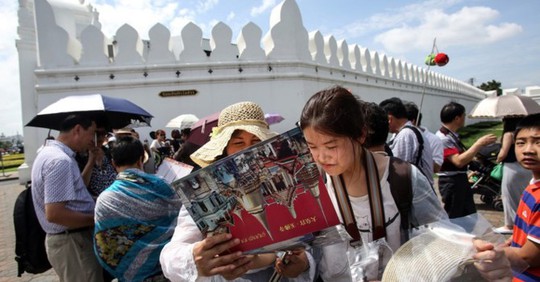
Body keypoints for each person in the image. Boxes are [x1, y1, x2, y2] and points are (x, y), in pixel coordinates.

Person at [300, 86, 512, 281]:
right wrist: (300, 263)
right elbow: (310, 248)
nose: (321, 156)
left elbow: (439, 235)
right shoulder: (312, 186)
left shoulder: (402, 177)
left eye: (330, 145)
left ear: (361, 134)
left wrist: (467, 248)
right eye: (312, 147)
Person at [160, 101, 313, 281]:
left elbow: (315, 242)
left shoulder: (292, 182)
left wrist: (304, 263)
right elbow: (170, 255)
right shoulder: (205, 194)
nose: (248, 149)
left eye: (256, 141)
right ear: (225, 150)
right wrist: (194, 258)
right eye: (239, 143)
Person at [94, 136, 182, 281]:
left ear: (113, 163)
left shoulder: (105, 198)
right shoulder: (161, 184)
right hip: (167, 268)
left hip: (132, 273)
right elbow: (181, 214)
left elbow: (105, 244)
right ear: (142, 159)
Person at [31, 113, 104, 282]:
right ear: (77, 130)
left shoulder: (52, 154)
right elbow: (55, 214)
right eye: (91, 133)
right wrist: (97, 218)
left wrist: (91, 161)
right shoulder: (60, 161)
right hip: (72, 241)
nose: (92, 139)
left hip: (70, 240)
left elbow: (77, 188)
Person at [436, 102, 498, 218]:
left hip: (459, 179)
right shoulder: (443, 138)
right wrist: (478, 144)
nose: (465, 118)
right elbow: (458, 162)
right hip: (451, 181)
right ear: (457, 118)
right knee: (455, 217)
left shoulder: (451, 135)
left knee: (469, 215)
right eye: (464, 115)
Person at [503, 113, 540, 281]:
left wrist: (477, 250)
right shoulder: (533, 185)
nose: (528, 150)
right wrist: (514, 239)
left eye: (538, 142)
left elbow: (528, 257)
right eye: (520, 143)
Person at [379, 97, 435, 186]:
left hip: (416, 192)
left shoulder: (405, 135)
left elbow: (398, 170)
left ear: (390, 119)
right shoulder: (410, 131)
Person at [494, 117, 532, 235]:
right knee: (524, 196)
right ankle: (526, 222)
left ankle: (510, 225)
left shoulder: (509, 134)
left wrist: (497, 159)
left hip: (512, 168)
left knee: (509, 197)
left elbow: (503, 153)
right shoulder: (524, 134)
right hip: (525, 168)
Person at [403, 101, 444, 173]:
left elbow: (437, 168)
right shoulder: (398, 136)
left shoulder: (434, 140)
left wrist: (421, 155)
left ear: (412, 121)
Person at [80, 126, 117, 199]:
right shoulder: (80, 156)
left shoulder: (109, 153)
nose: (100, 137)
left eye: (103, 133)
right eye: (96, 133)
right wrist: (91, 162)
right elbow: (81, 185)